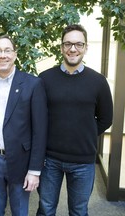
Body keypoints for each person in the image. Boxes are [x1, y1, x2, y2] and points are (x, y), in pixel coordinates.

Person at [36, 24, 113, 216]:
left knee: (79, 211)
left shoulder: (98, 81)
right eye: (68, 44)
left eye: (78, 44)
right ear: (61, 47)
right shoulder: (45, 79)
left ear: (86, 48)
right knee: (45, 209)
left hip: (83, 161)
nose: (73, 49)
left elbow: (106, 118)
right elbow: (37, 116)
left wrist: (83, 133)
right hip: (49, 160)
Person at [0, 34, 48, 216]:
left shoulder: (33, 84)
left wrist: (35, 170)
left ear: (15, 54)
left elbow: (40, 132)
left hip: (21, 160)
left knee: (20, 211)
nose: (3, 55)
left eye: (7, 50)